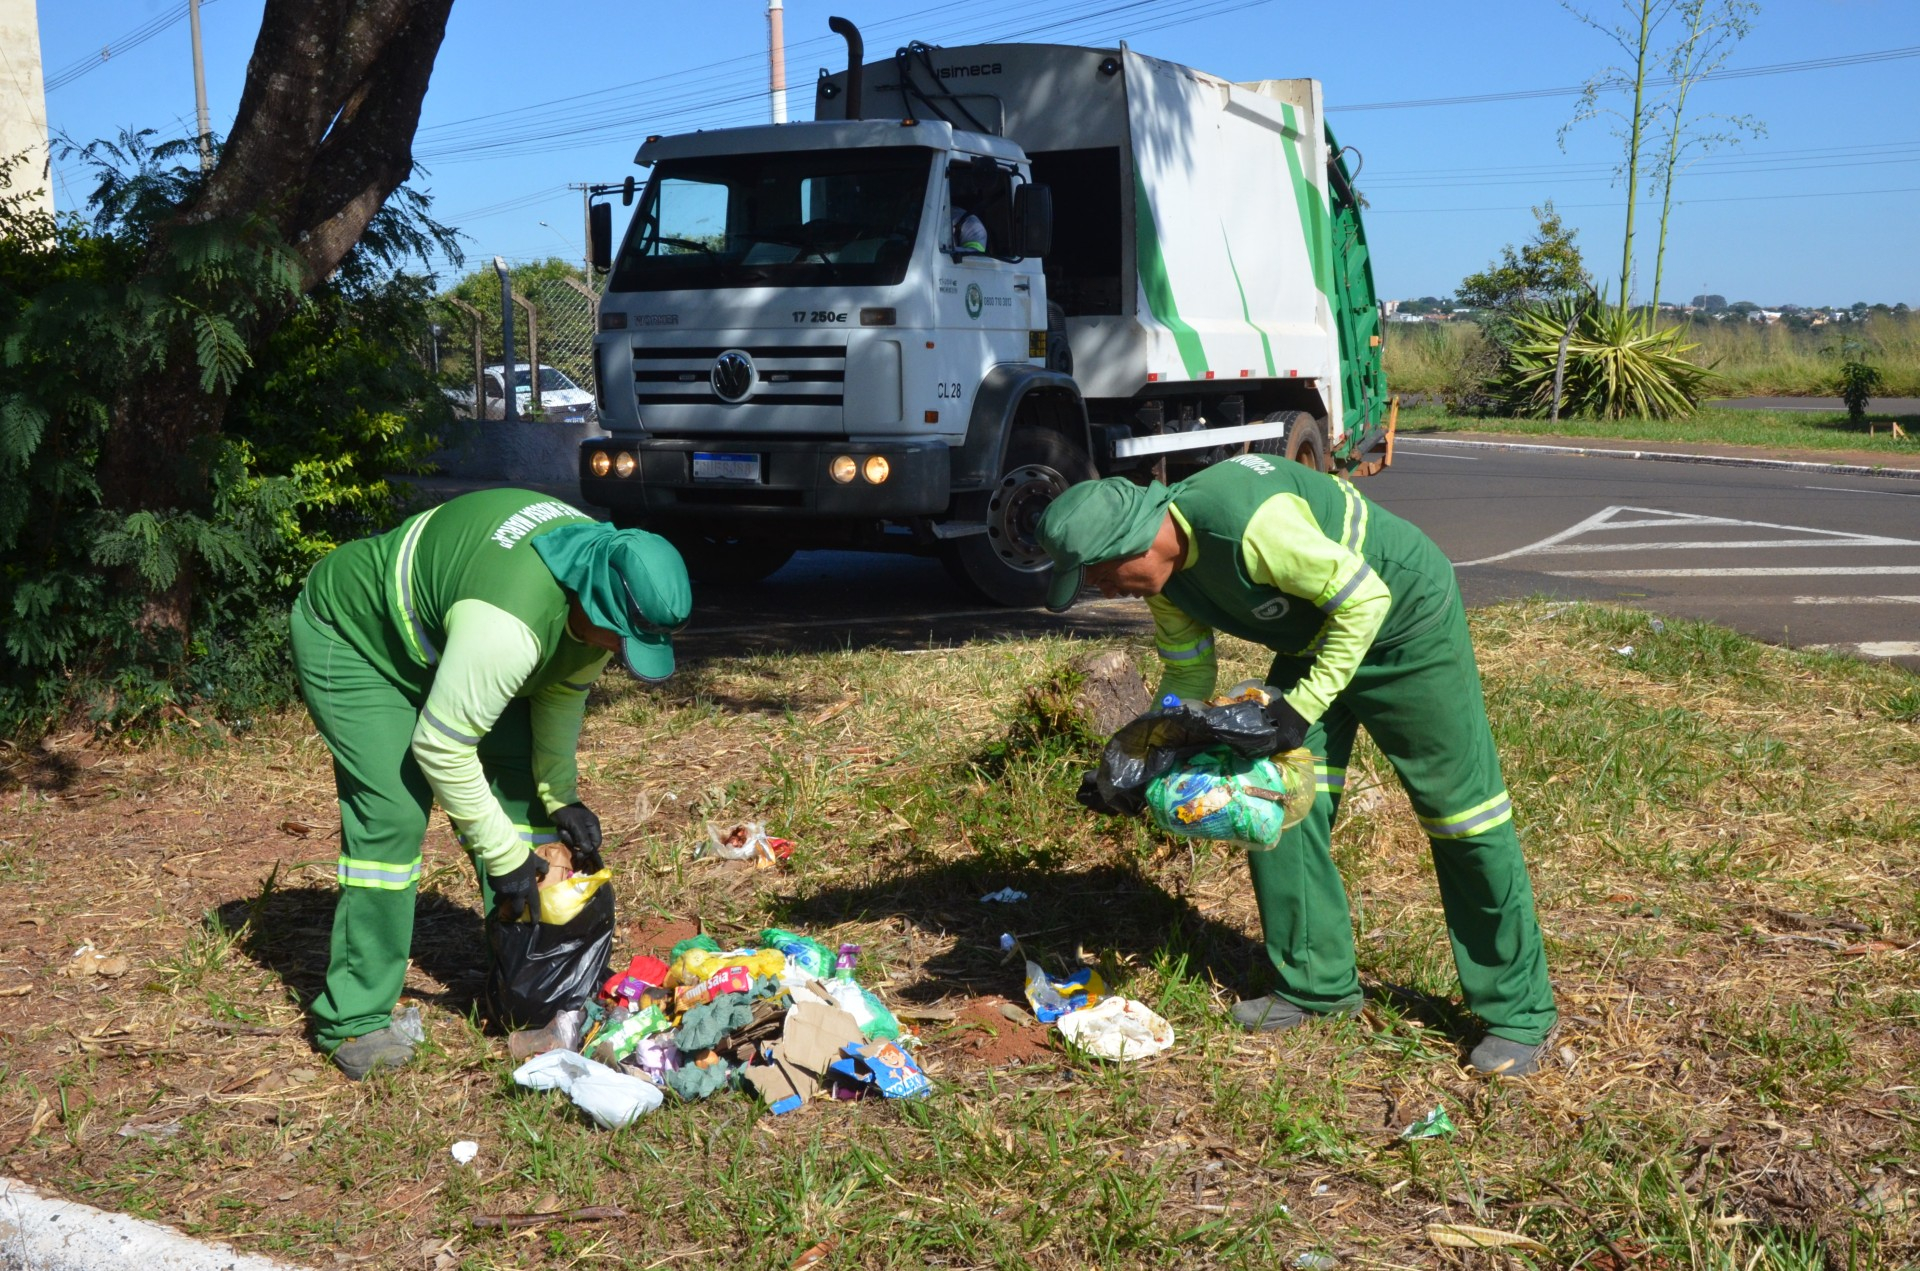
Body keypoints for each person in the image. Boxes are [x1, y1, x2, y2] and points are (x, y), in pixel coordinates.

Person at [1036, 455, 1556, 1076]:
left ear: (1135, 540)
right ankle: (1316, 987)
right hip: (1317, 643)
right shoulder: (1166, 579)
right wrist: (1141, 757)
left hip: (1404, 624)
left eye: (1099, 574)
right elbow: (1188, 673)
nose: (1103, 590)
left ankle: (1519, 1014)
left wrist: (1300, 709)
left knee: (1463, 816)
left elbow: (1367, 599)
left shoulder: (1249, 523)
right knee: (1270, 801)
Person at [289, 488, 691, 1080]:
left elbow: (558, 690)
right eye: (618, 639)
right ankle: (353, 1018)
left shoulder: (601, 576)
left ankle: (527, 990)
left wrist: (561, 795)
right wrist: (503, 855)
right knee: (393, 817)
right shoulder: (509, 624)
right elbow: (442, 746)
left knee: (529, 810)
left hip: (455, 648)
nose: (617, 651)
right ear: (594, 604)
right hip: (360, 644)